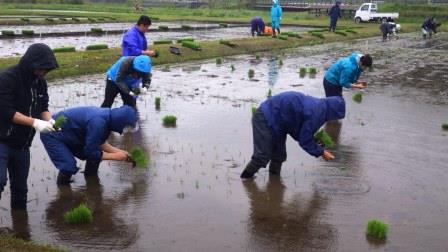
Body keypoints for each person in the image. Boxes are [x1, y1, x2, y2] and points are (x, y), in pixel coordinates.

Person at [0, 43, 58, 209]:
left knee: (20, 190)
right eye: (40, 68)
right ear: (30, 63)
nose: (43, 72)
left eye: (46, 70)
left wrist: (49, 121)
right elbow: (6, 112)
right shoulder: (7, 79)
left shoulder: (40, 83)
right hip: (2, 140)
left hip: (22, 145)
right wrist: (34, 122)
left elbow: (43, 108)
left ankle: (20, 229)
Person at [240, 91, 346, 179]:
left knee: (279, 156)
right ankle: (245, 178)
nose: (334, 119)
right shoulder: (317, 114)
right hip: (265, 117)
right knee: (262, 156)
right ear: (333, 111)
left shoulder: (320, 107)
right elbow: (304, 140)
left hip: (279, 122)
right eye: (336, 115)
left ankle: (274, 182)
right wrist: (321, 152)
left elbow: (298, 131)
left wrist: (314, 141)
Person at [40, 105, 138, 185]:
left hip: (71, 134)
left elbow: (99, 143)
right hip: (51, 133)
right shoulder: (98, 122)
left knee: (95, 156)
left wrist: (119, 152)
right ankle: (64, 194)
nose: (127, 130)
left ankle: (91, 183)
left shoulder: (107, 119)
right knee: (68, 166)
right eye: (127, 127)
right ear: (120, 123)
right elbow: (90, 152)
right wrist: (116, 156)